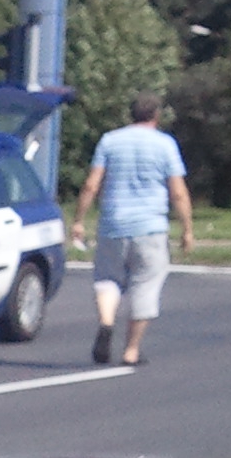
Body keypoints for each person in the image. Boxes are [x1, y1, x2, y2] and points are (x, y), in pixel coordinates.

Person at [70, 93, 194, 368]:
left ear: (131, 115)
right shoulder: (166, 145)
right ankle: (131, 351)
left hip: (113, 225)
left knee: (107, 279)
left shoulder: (109, 141)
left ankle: (106, 321)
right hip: (150, 228)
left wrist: (78, 219)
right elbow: (178, 192)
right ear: (156, 116)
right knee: (145, 285)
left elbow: (91, 184)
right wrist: (187, 229)